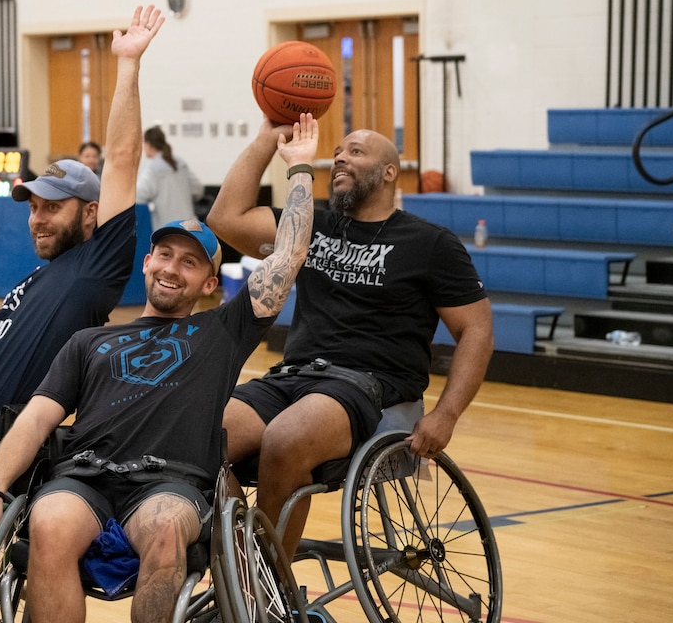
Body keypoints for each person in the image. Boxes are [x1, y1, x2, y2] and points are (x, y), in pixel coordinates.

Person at [0, 114, 320, 623]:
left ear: (208, 286)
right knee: (47, 522)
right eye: (165, 255)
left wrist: (300, 167)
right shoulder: (91, 341)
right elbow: (37, 419)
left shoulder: (223, 330)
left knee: (168, 528)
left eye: (190, 263)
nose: (173, 268)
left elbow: (289, 254)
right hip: (84, 478)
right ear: (147, 262)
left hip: (169, 484)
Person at [206, 123, 494, 559]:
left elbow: (477, 329)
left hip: (367, 385)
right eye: (336, 152)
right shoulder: (310, 227)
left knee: (285, 438)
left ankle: (267, 590)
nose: (339, 158)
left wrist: (447, 415)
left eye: (355, 152)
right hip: (292, 376)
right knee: (201, 429)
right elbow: (224, 219)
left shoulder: (429, 243)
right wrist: (269, 135)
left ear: (389, 172)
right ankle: (242, 567)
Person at [0, 5, 165, 443]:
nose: (37, 219)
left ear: (91, 213)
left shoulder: (95, 270)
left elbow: (121, 159)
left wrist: (128, 64)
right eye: (33, 207)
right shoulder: (47, 274)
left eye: (52, 208)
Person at [135, 125, 204, 231]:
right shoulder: (180, 162)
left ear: (148, 144)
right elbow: (198, 189)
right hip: (188, 226)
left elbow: (139, 195)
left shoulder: (153, 167)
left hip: (166, 227)